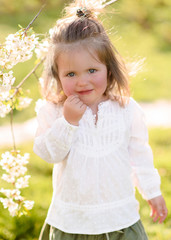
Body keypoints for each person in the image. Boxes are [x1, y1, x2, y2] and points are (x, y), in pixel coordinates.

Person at [33, 0, 168, 239]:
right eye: (71, 74)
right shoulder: (53, 111)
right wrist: (68, 122)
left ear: (108, 69)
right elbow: (48, 154)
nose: (82, 81)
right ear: (57, 74)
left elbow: (140, 155)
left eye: (92, 71)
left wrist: (152, 191)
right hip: (72, 222)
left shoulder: (125, 109)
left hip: (119, 218)